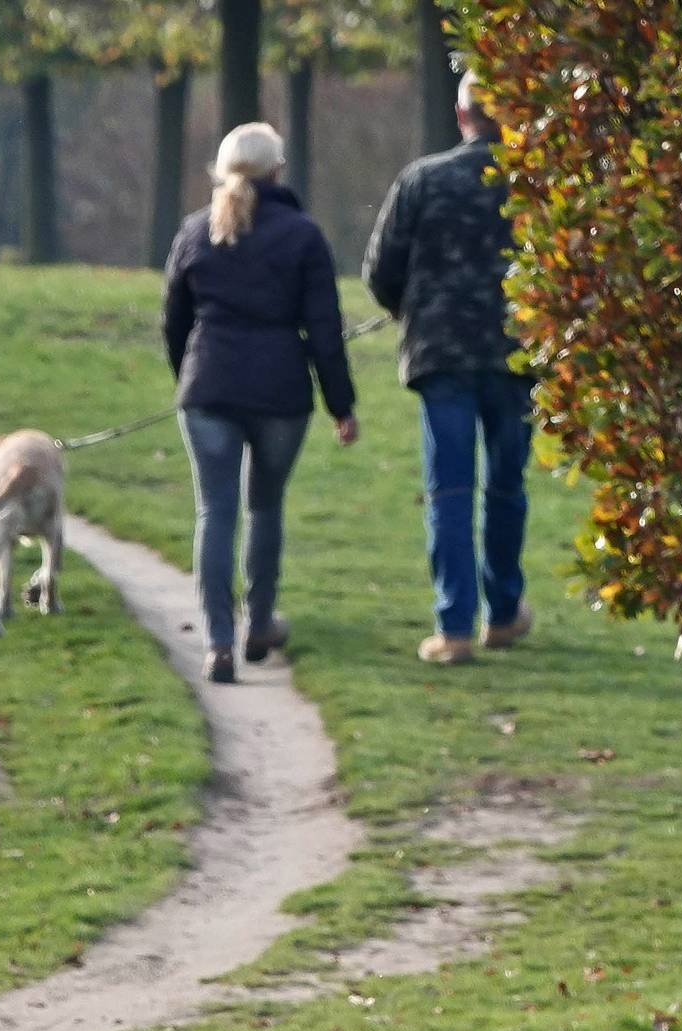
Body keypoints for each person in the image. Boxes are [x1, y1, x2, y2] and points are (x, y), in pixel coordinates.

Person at [162, 122, 359, 686]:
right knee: (264, 506)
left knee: (213, 511)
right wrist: (341, 405)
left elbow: (174, 322)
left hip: (209, 392)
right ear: (278, 170)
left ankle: (218, 641)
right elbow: (324, 329)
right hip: (280, 394)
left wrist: (190, 378)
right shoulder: (302, 236)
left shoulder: (196, 232)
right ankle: (260, 623)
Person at [362, 69, 535, 666]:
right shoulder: (535, 184)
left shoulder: (422, 180)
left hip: (441, 356)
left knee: (451, 489)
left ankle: (454, 626)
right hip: (518, 355)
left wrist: (408, 309)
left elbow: (380, 269)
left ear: (461, 117)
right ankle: (505, 612)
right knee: (507, 486)